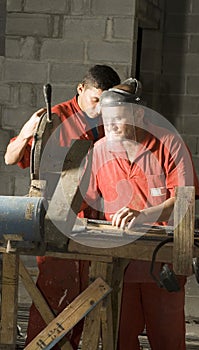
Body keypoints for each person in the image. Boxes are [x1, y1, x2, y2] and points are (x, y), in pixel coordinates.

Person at [4, 64, 121, 349]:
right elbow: (10, 157)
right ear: (81, 90)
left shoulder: (112, 119)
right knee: (55, 295)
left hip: (97, 218)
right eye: (95, 100)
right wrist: (25, 133)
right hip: (58, 219)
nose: (100, 109)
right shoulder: (55, 118)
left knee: (93, 295)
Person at [82, 79, 199, 350]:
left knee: (167, 339)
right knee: (119, 337)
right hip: (118, 262)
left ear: (138, 116)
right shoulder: (99, 150)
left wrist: (144, 214)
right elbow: (87, 204)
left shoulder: (168, 142)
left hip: (162, 258)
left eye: (119, 119)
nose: (110, 126)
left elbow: (184, 199)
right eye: (106, 119)